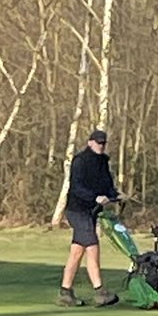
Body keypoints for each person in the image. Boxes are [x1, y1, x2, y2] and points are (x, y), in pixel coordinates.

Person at [58, 128, 120, 307]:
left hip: (91, 212)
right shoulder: (80, 161)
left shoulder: (103, 162)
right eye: (98, 143)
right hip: (77, 210)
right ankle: (100, 291)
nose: (101, 146)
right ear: (90, 143)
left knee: (77, 252)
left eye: (103, 143)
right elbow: (76, 187)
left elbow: (107, 185)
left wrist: (115, 195)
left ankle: (65, 292)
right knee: (92, 247)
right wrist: (95, 198)